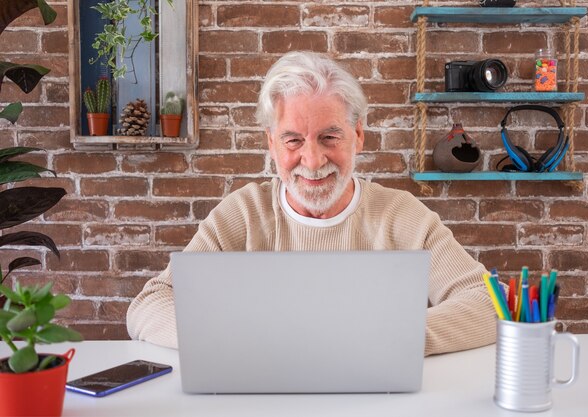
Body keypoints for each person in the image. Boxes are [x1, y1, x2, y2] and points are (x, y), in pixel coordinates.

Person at [127, 51, 496, 356]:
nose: (314, 159)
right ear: (271, 144)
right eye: (293, 141)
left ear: (358, 136)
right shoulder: (241, 214)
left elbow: (488, 302)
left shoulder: (404, 216)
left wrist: (388, 337)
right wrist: (233, 338)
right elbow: (151, 303)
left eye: (329, 136)